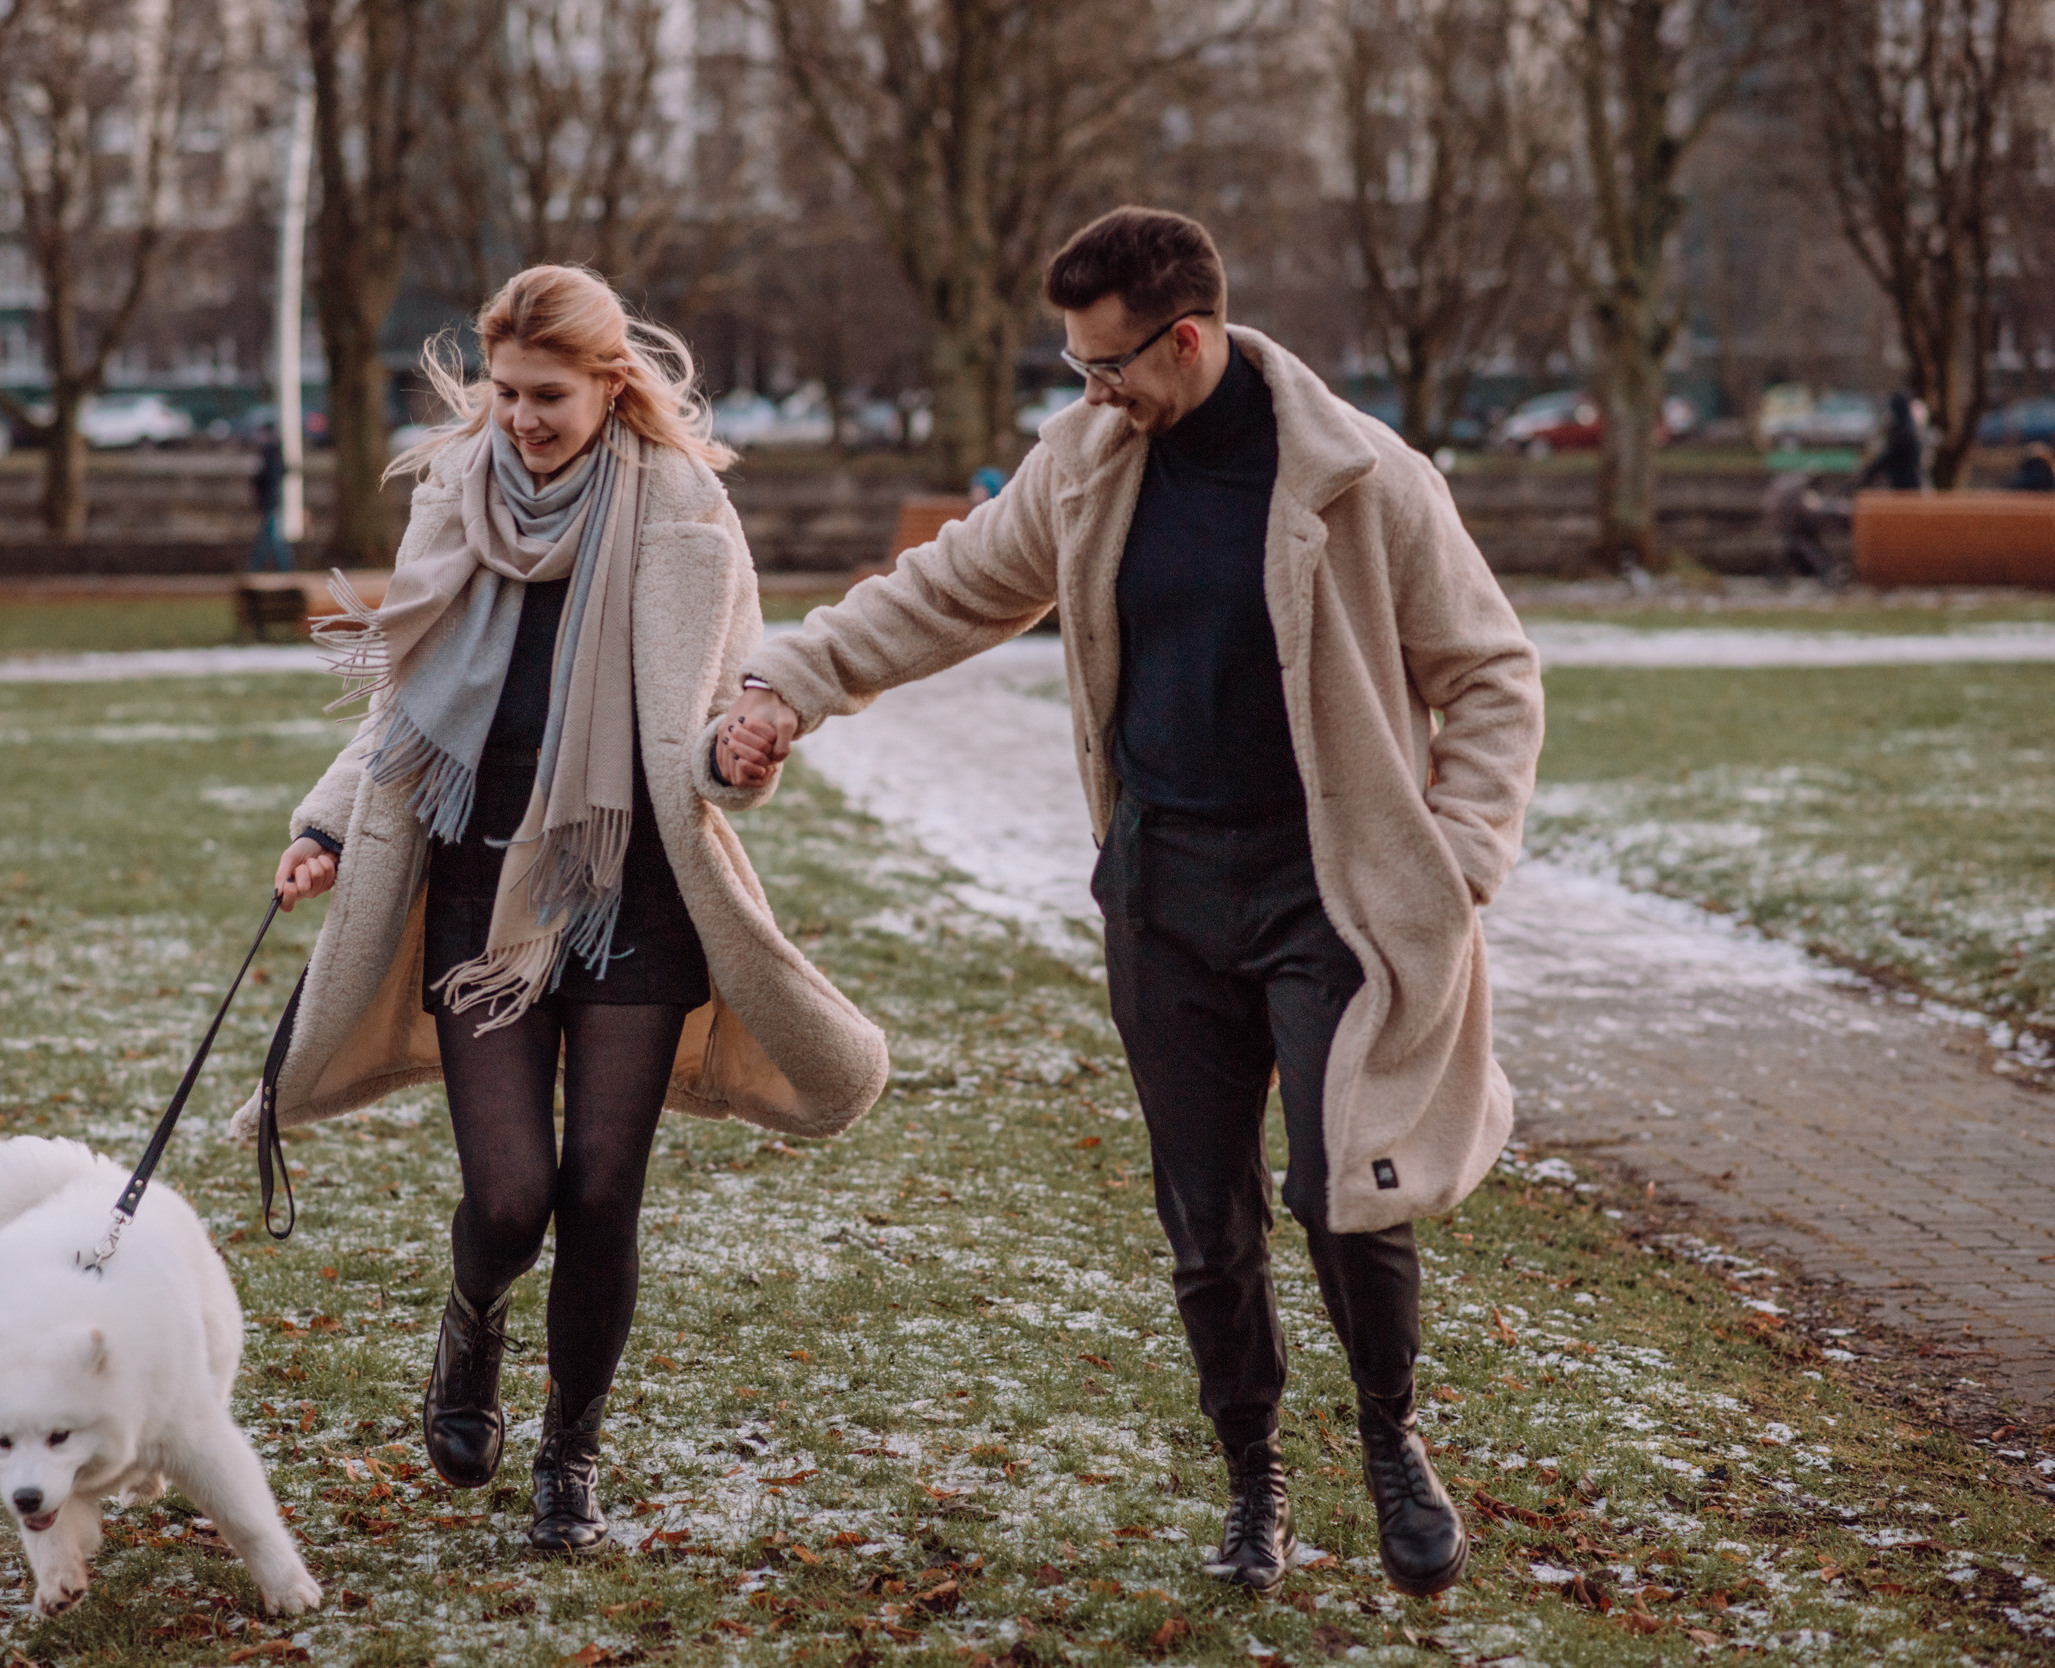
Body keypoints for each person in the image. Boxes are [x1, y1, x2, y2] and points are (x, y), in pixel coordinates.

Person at [718, 208, 1542, 1600]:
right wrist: (788, 680)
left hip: (1328, 891)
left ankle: (1394, 1446)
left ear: (1189, 340)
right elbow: (952, 589)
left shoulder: (1361, 479)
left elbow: (1491, 674)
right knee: (1204, 1218)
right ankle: (1254, 1483)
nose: (1087, 389)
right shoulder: (1090, 460)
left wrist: (1456, 861)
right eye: (1072, 363)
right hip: (1162, 890)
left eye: (1106, 364)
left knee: (1347, 1185)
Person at [246, 266, 887, 1554]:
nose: (525, 420)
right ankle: (469, 1329)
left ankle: (569, 1464)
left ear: (612, 384)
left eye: (550, 396)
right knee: (508, 1195)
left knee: (601, 1192)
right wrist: (322, 824)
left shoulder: (689, 518)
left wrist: (737, 758)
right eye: (508, 394)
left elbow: (718, 715)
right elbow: (402, 708)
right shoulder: (455, 498)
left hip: (631, 887)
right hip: (477, 886)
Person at [1860, 392, 1925, 492]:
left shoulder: (1905, 432)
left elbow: (1888, 457)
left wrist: (1869, 473)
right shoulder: (1901, 429)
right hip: (1900, 483)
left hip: (1907, 485)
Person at [248, 434, 293, 572]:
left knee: (273, 539)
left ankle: (283, 567)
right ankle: (258, 567)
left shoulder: (267, 458)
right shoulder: (274, 458)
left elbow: (262, 482)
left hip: (270, 504)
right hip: (272, 503)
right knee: (270, 538)